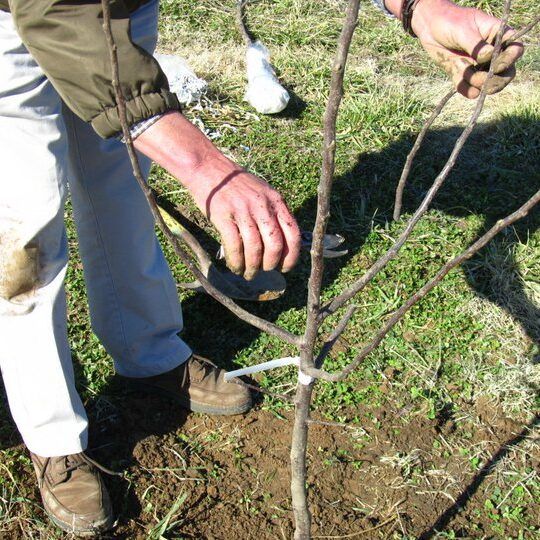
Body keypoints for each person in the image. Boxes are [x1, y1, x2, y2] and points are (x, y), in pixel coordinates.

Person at [0, 0, 523, 535]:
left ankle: (149, 353)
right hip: (28, 20)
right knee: (26, 235)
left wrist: (416, 7)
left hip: (119, 14)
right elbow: (56, 14)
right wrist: (204, 167)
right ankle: (54, 439)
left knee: (123, 182)